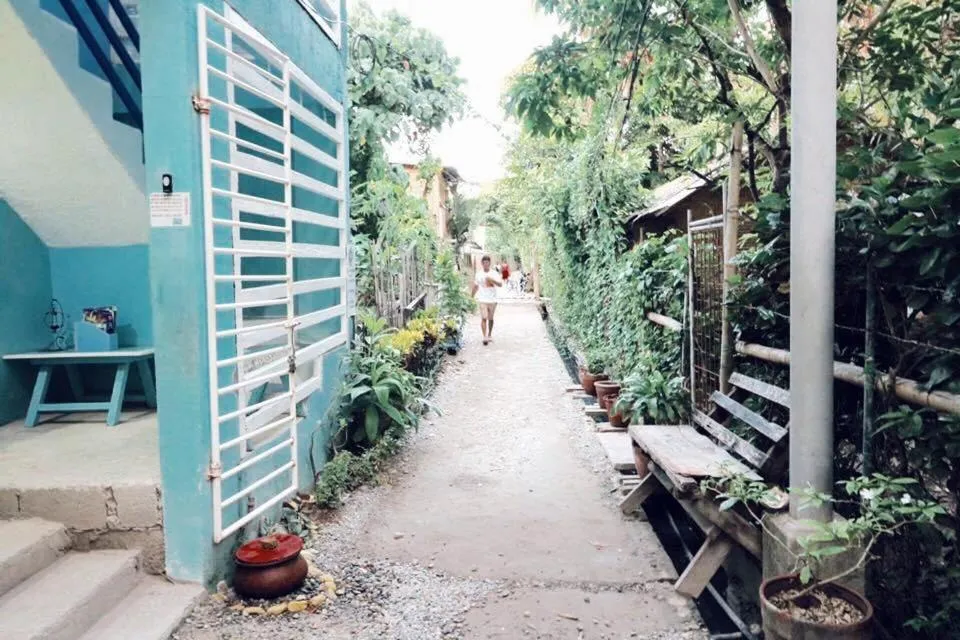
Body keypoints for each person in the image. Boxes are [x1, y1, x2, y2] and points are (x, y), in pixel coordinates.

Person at [471, 255, 502, 345]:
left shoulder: (494, 273)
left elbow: (500, 284)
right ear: (482, 264)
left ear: (489, 263)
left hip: (492, 299)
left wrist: (492, 280)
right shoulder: (479, 274)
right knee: (484, 317)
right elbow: (476, 286)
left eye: (487, 263)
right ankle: (484, 336)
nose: (485, 264)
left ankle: (489, 334)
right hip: (482, 299)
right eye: (484, 263)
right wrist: (471, 297)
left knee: (490, 318)